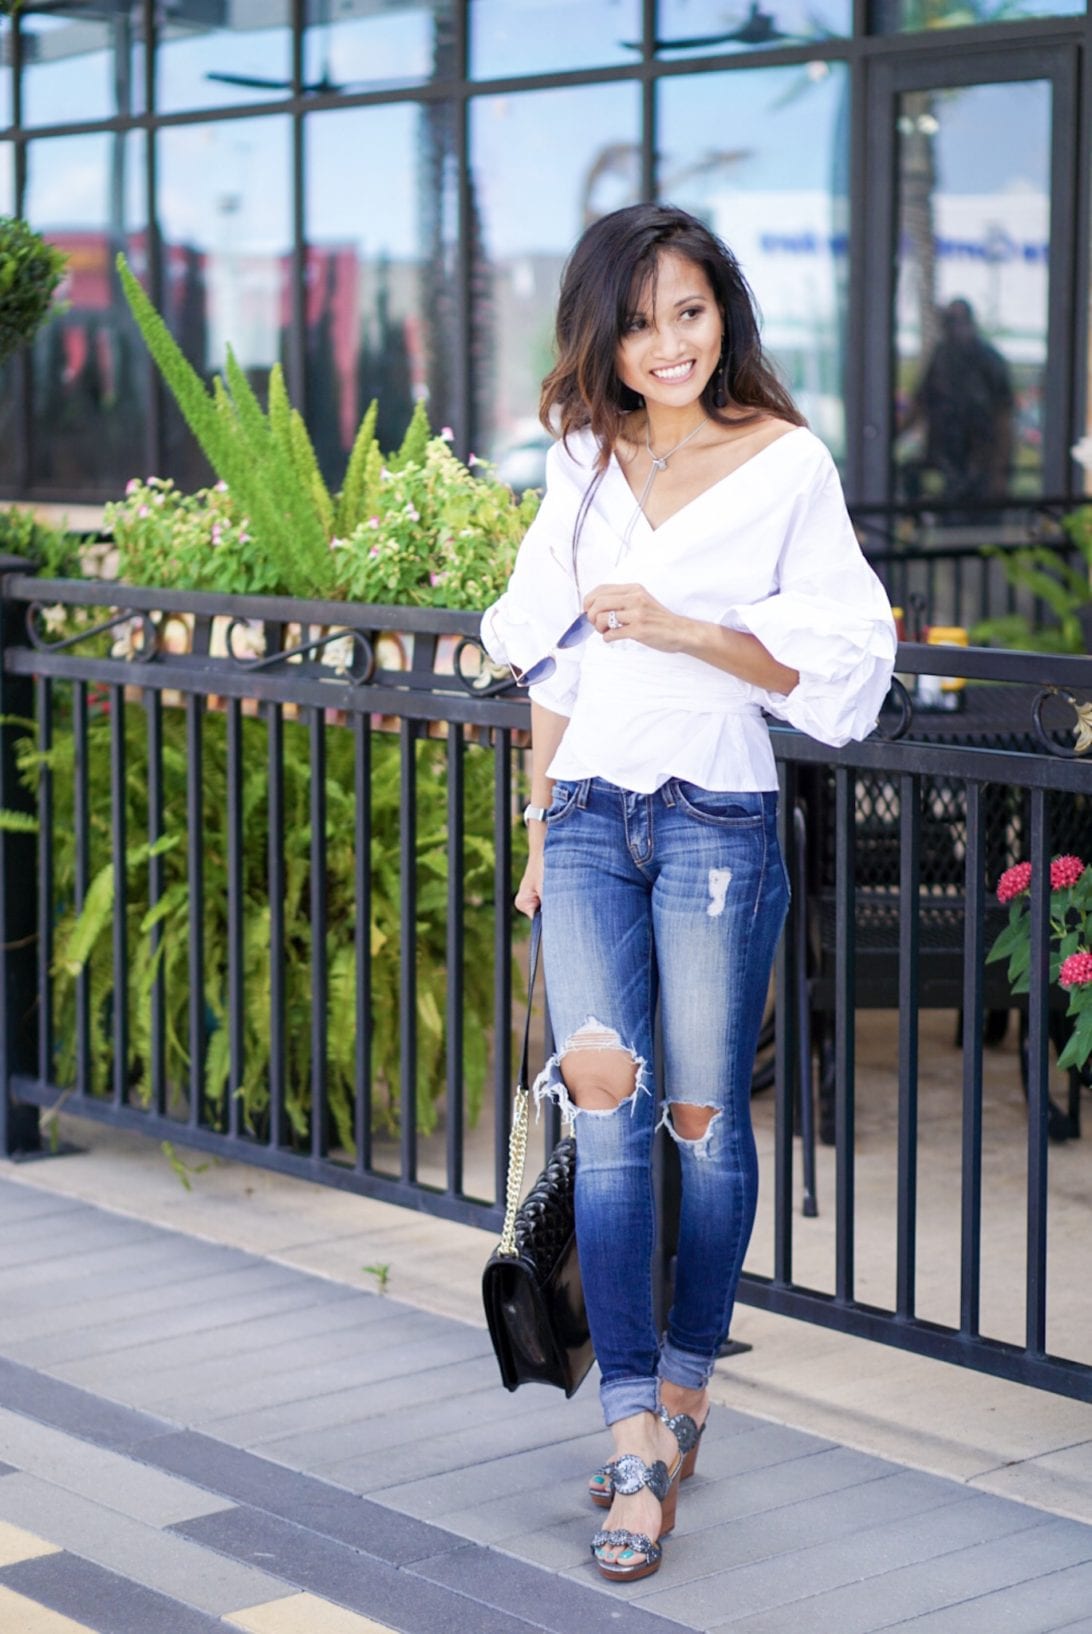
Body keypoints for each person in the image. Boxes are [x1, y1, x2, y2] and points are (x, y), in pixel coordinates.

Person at [480, 203, 895, 1584]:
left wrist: (684, 625)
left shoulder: (785, 463)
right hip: (592, 814)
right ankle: (636, 1427)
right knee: (609, 1125)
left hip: (719, 820)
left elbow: (832, 668)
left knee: (707, 1128)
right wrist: (540, 825)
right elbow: (550, 663)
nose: (669, 342)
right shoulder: (581, 461)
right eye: (643, 318)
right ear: (603, 329)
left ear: (727, 315)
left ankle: (692, 1378)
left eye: (692, 311)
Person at [903, 297, 1014, 507]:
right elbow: (920, 403)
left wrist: (999, 470)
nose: (954, 329)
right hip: (944, 456)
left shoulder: (989, 360)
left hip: (980, 460)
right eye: (950, 323)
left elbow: (1003, 416)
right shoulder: (941, 356)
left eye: (959, 322)